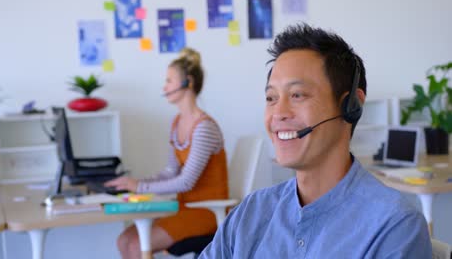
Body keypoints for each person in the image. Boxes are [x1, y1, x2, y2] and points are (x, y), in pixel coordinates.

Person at [200, 24, 432, 258]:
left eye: (297, 95)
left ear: (351, 106)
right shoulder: (250, 213)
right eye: (271, 98)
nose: (278, 113)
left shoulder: (395, 227)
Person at [105, 48, 229, 259]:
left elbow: (186, 182)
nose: (165, 86)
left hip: (205, 212)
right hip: (182, 208)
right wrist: (133, 183)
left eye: (169, 80)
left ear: (187, 82)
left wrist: (140, 187)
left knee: (136, 245)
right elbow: (171, 172)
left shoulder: (204, 128)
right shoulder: (176, 124)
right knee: (124, 240)